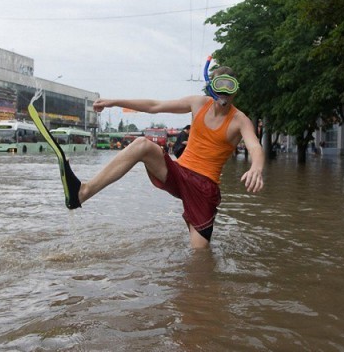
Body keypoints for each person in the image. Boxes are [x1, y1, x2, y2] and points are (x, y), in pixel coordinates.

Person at [60, 66, 264, 248]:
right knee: (142, 145)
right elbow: (154, 105)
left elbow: (255, 146)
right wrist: (114, 101)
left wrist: (256, 167)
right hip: (179, 173)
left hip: (204, 188)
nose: (224, 96)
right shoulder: (198, 103)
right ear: (211, 87)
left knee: (200, 257)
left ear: (235, 91)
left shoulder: (240, 120)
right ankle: (82, 193)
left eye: (230, 90)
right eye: (220, 88)